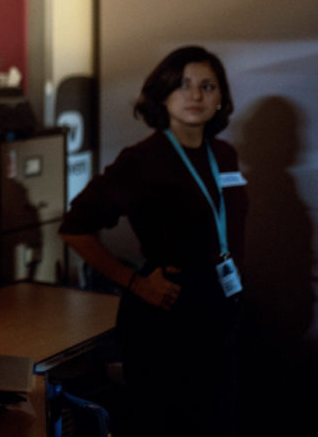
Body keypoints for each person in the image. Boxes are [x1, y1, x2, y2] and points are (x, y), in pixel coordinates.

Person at [59, 46, 248, 437]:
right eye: (182, 85)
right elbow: (74, 227)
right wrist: (134, 282)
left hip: (220, 313)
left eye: (207, 86)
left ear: (220, 98)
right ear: (162, 94)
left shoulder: (225, 155)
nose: (195, 96)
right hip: (167, 317)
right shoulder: (142, 160)